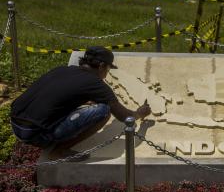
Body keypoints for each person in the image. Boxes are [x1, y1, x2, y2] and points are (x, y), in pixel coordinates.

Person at [10, 46, 151, 161]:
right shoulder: (96, 84)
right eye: (108, 69)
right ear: (101, 66)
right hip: (36, 135)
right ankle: (59, 151)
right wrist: (139, 113)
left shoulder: (61, 70)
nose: (107, 73)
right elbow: (125, 118)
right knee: (103, 111)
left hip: (16, 125)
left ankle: (51, 139)